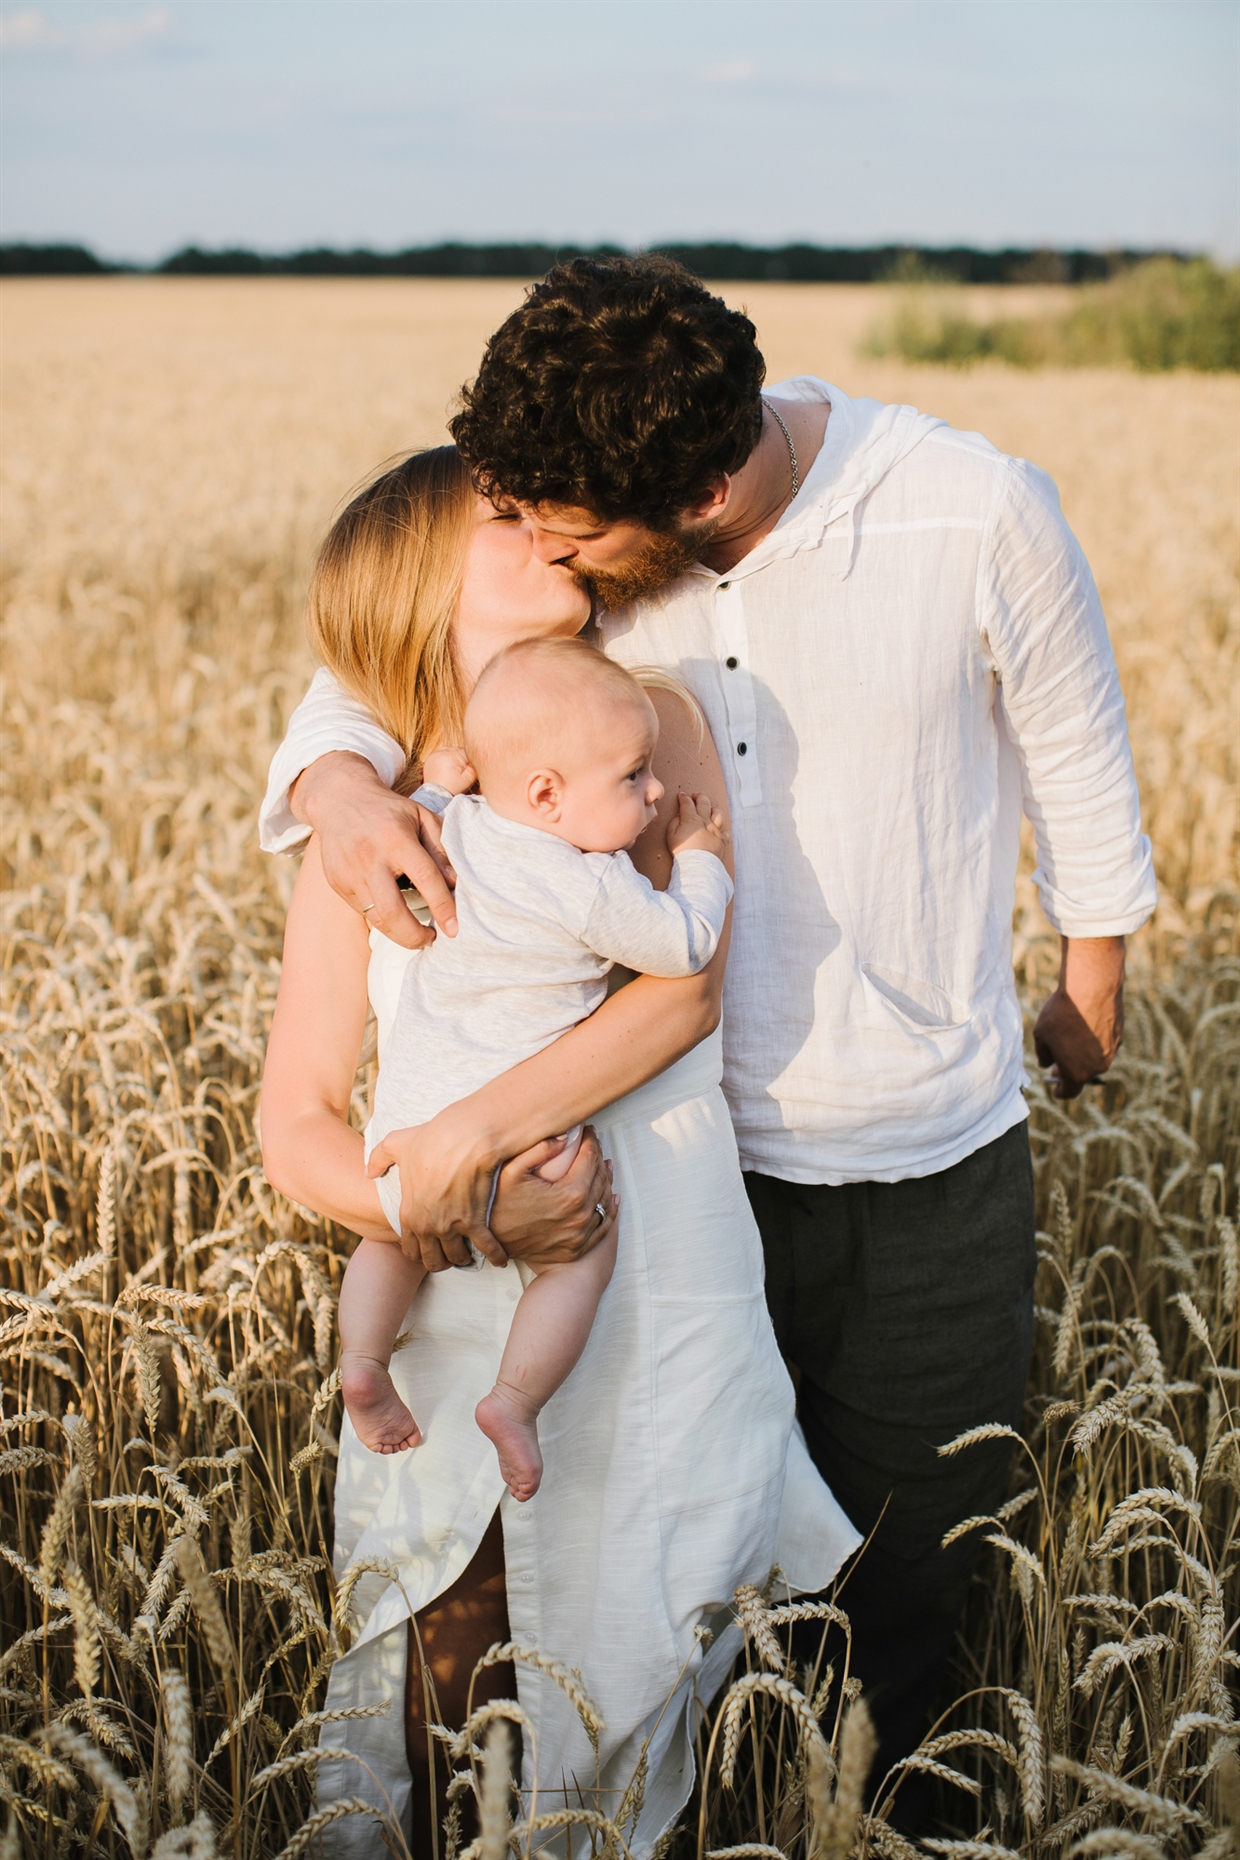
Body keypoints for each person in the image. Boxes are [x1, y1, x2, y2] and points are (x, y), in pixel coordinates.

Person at [262, 257, 1157, 1825]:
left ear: (671, 503)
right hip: (656, 1199)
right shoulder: (534, 610)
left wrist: (1091, 991)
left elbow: (1077, 758)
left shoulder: (941, 522)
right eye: (518, 521)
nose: (543, 539)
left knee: (888, 1590)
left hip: (880, 1160)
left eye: (562, 527)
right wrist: (333, 786)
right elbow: (378, 643)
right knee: (543, 1627)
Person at [259, 445, 859, 1858]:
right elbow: (294, 1120)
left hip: (648, 1270)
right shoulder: (364, 817)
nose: (547, 530)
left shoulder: (637, 723)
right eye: (503, 517)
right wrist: (426, 1201)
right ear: (420, 577)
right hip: (451, 1286)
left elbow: (684, 988)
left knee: (649, 1680)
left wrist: (474, 1133)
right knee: (440, 1661)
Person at [341, 635, 733, 1505]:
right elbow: (685, 946)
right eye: (634, 777)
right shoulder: (588, 884)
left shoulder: (461, 829)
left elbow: (432, 800)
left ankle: (363, 1364)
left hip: (411, 1112)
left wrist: (442, 772)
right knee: (580, 1254)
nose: (656, 789)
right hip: (525, 1132)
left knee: (387, 1236)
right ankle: (515, 1403)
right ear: (549, 795)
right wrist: (700, 856)